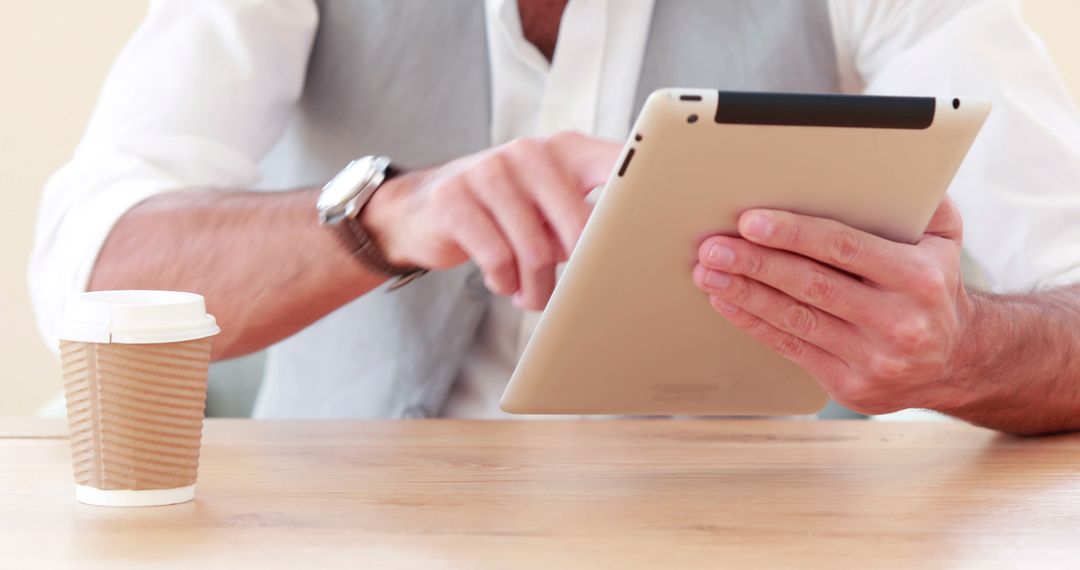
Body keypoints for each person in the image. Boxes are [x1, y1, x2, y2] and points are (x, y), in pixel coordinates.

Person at [30, 0, 1080, 434]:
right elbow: (93, 275)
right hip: (351, 538)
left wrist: (966, 353)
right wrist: (382, 214)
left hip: (742, 542)